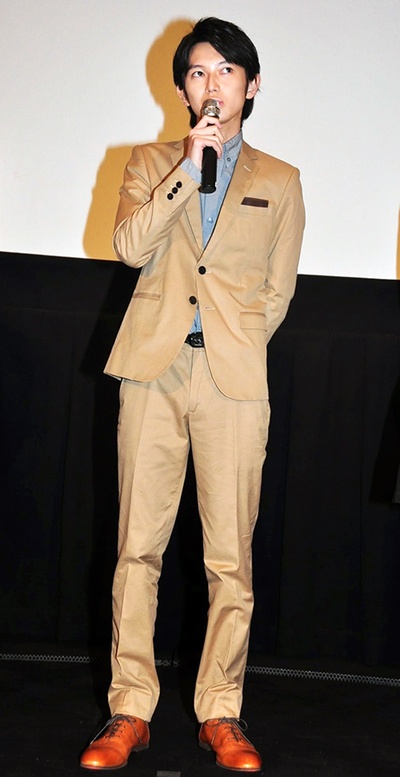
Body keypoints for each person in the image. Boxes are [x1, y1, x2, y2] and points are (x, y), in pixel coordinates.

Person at [80, 16, 305, 773]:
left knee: (229, 559)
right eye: (200, 72)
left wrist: (233, 344)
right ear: (183, 89)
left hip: (232, 382)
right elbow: (129, 247)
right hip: (153, 370)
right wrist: (187, 168)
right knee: (136, 549)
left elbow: (277, 294)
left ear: (252, 84)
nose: (214, 84)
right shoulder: (148, 162)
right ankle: (129, 710)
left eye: (228, 71)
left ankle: (221, 711)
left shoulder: (281, 180)